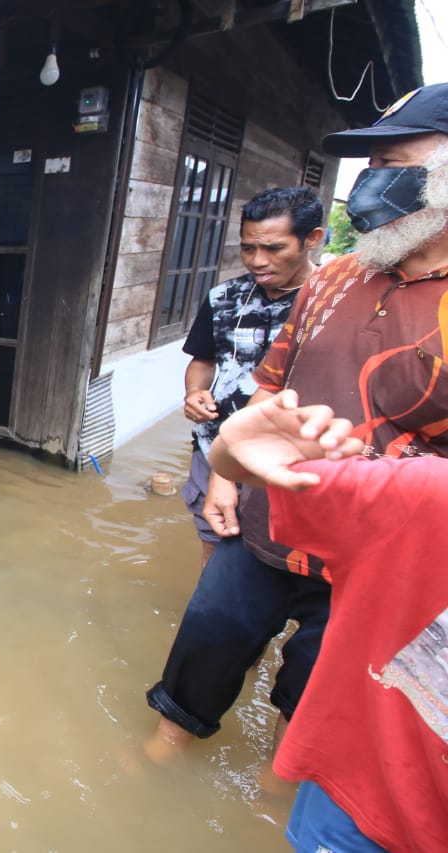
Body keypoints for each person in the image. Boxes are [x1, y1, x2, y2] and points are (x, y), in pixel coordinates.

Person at [146, 82, 448, 764]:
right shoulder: (336, 278)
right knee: (210, 630)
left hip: (372, 553)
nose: (372, 185)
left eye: (392, 163)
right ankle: (159, 752)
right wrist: (228, 472)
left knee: (317, 679)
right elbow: (269, 385)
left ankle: (279, 787)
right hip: (267, 514)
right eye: (367, 168)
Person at [208, 391, 447, 853]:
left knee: (300, 669)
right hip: (363, 800)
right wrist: (227, 453)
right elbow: (250, 459)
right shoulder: (427, 495)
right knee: (216, 634)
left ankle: (274, 782)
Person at [180, 188, 323, 566]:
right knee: (214, 535)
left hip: (290, 455)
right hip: (214, 445)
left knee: (284, 550)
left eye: (274, 248)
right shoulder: (224, 297)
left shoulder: (332, 302)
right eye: (247, 248)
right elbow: (203, 360)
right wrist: (195, 392)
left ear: (312, 239)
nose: (257, 261)